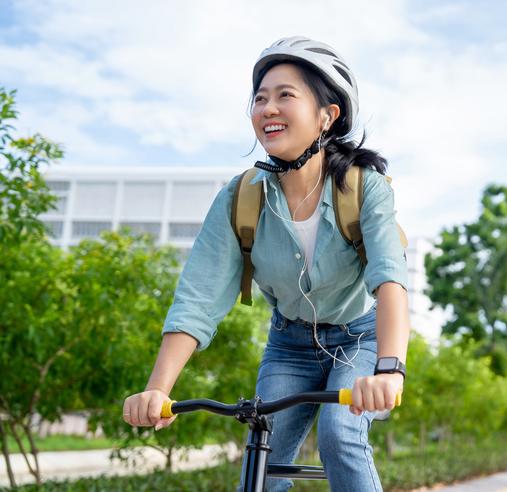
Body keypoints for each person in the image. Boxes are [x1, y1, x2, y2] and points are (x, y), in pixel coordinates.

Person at [122, 36, 410, 491]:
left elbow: (390, 279)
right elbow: (199, 295)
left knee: (339, 434)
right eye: (260, 98)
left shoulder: (363, 187)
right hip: (289, 344)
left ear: (327, 115)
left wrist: (390, 370)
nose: (268, 108)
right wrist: (158, 389)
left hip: (360, 338)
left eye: (285, 96)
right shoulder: (241, 198)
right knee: (263, 450)